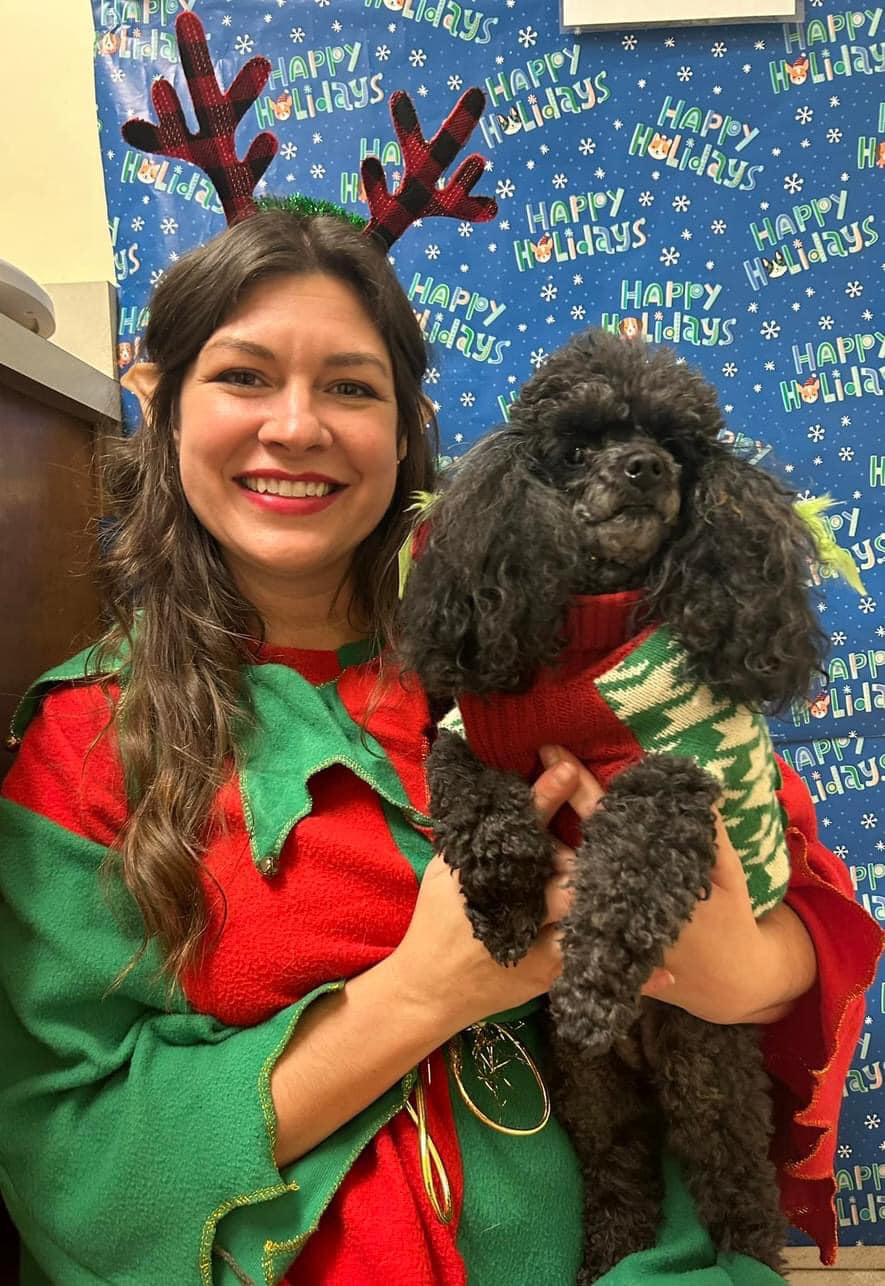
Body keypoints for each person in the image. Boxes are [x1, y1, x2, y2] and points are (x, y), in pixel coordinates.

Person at [0, 211, 880, 1286]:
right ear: (159, 403)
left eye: (351, 388)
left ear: (409, 427)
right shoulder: (83, 740)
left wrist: (745, 974)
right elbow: (71, 1158)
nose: (296, 426)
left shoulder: (560, 659)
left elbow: (803, 900)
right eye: (243, 375)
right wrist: (426, 991)